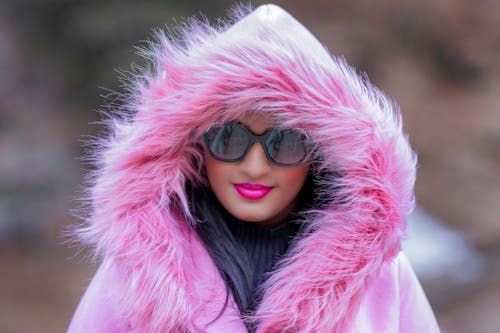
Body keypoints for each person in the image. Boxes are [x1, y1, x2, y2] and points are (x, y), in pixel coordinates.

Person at [68, 4, 440, 333]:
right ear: (194, 144)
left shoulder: (381, 277)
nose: (255, 166)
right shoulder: (136, 275)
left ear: (321, 155)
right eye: (229, 139)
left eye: (287, 143)